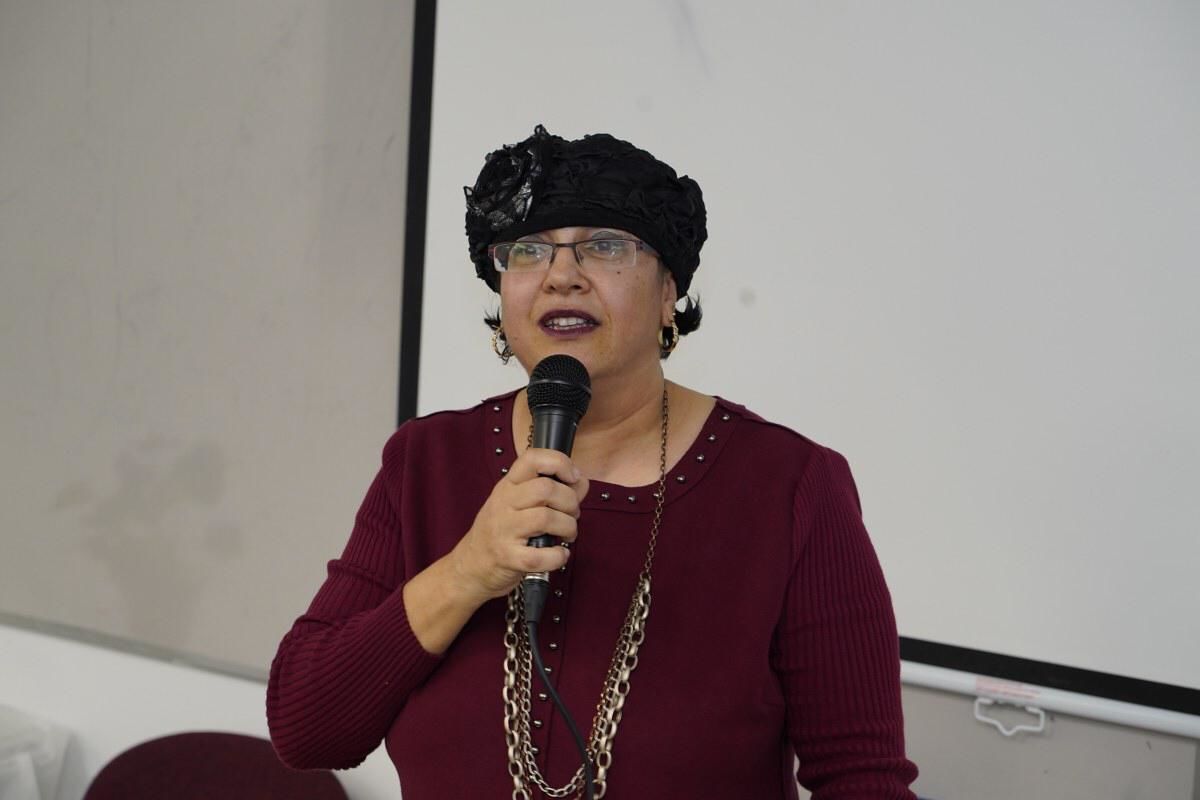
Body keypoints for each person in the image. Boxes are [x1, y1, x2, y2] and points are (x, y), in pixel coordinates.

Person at [267, 125, 919, 799]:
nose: (561, 276)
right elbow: (307, 731)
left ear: (668, 292)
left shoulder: (789, 485)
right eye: (528, 250)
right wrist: (467, 571)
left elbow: (863, 781)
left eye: (605, 246)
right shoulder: (424, 463)